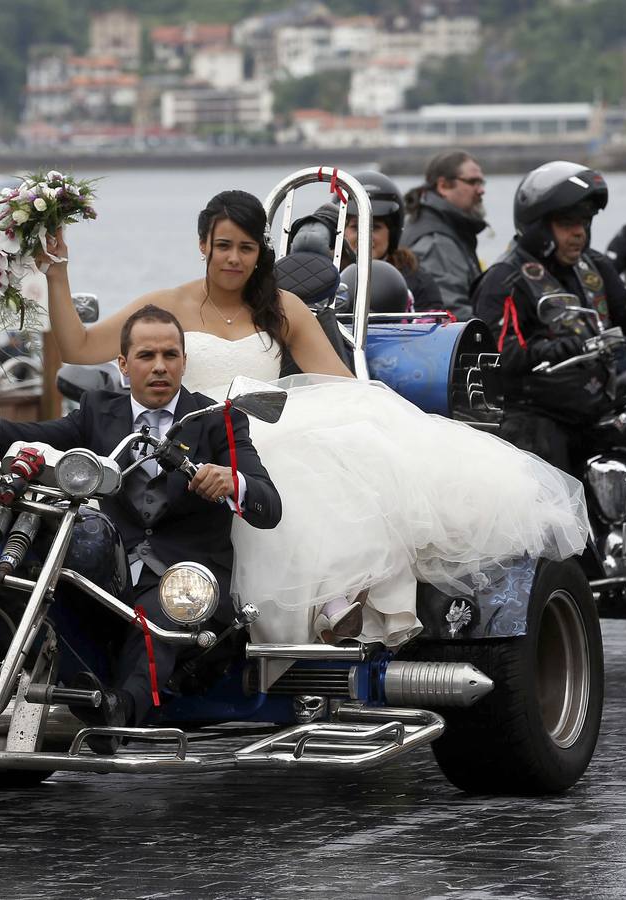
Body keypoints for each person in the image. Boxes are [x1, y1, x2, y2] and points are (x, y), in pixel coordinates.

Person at [42, 189, 589, 647]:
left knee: (313, 463)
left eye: (247, 248)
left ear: (261, 253)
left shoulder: (282, 307)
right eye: (224, 246)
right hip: (186, 433)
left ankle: (338, 602)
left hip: (262, 428)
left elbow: (339, 386)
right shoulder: (167, 306)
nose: (233, 259)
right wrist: (57, 272)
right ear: (203, 244)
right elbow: (78, 344)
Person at [0, 304, 282, 741]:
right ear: (123, 364)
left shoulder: (217, 418)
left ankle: (118, 715)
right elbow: (33, 435)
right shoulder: (99, 409)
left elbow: (268, 506)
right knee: (30, 590)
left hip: (187, 581)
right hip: (111, 575)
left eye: (170, 355)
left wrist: (232, 481)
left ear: (183, 360)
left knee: (155, 618)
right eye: (146, 356)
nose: (160, 366)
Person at [473, 160, 626, 474]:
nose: (579, 233)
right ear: (539, 226)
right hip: (534, 422)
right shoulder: (504, 280)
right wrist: (557, 349)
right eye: (567, 223)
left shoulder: (593, 267)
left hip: (592, 412)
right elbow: (495, 357)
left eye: (584, 222)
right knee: (557, 511)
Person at [340, 169, 443, 313]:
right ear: (341, 232)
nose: (364, 236)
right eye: (355, 227)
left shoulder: (419, 284)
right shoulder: (326, 280)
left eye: (374, 227)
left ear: (393, 233)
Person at [402, 149, 488, 320]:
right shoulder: (437, 242)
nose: (481, 190)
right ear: (443, 186)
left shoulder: (429, 222)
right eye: (472, 182)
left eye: (481, 182)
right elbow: (451, 313)